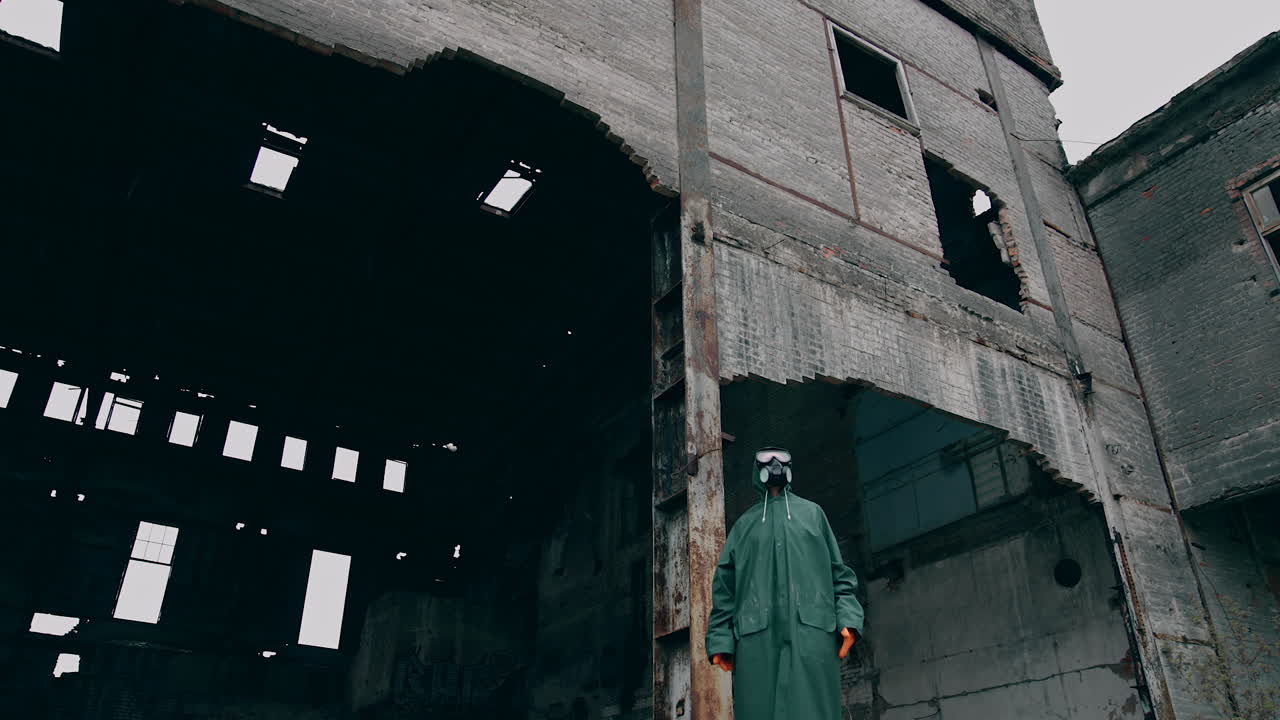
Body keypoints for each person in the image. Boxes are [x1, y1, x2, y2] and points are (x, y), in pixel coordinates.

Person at [705, 447, 864, 720]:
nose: (775, 465)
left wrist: (848, 619)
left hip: (811, 637)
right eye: (767, 460)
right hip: (757, 644)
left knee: (813, 711)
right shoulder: (744, 527)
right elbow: (725, 590)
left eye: (781, 459)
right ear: (757, 470)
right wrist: (721, 639)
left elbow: (840, 576)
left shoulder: (813, 515)